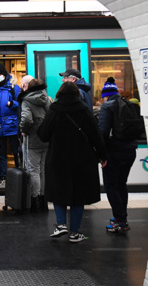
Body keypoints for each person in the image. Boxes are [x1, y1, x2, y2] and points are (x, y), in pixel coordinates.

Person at [37, 82, 107, 243]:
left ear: (60, 93)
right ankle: (75, 233)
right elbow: (96, 135)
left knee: (58, 191)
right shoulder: (84, 109)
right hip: (82, 159)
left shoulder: (54, 109)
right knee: (79, 196)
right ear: (77, 94)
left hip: (58, 158)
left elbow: (43, 135)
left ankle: (61, 224)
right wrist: (103, 156)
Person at [98, 77, 137, 233]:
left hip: (114, 152)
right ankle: (121, 216)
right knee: (121, 184)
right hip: (130, 151)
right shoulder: (129, 104)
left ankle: (120, 221)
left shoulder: (107, 107)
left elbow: (103, 133)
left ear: (105, 95)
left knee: (111, 186)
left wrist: (102, 156)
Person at [19, 78, 50, 212]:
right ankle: (44, 199)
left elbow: (26, 119)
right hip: (46, 139)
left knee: (33, 170)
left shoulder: (27, 100)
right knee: (43, 169)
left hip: (33, 139)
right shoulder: (47, 99)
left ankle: (34, 199)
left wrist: (24, 130)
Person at [0, 64, 21, 186]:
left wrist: (11, 103)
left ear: (5, 74)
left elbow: (20, 104)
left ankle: (19, 175)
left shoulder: (14, 87)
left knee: (15, 151)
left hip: (12, 125)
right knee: (1, 153)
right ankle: (2, 176)